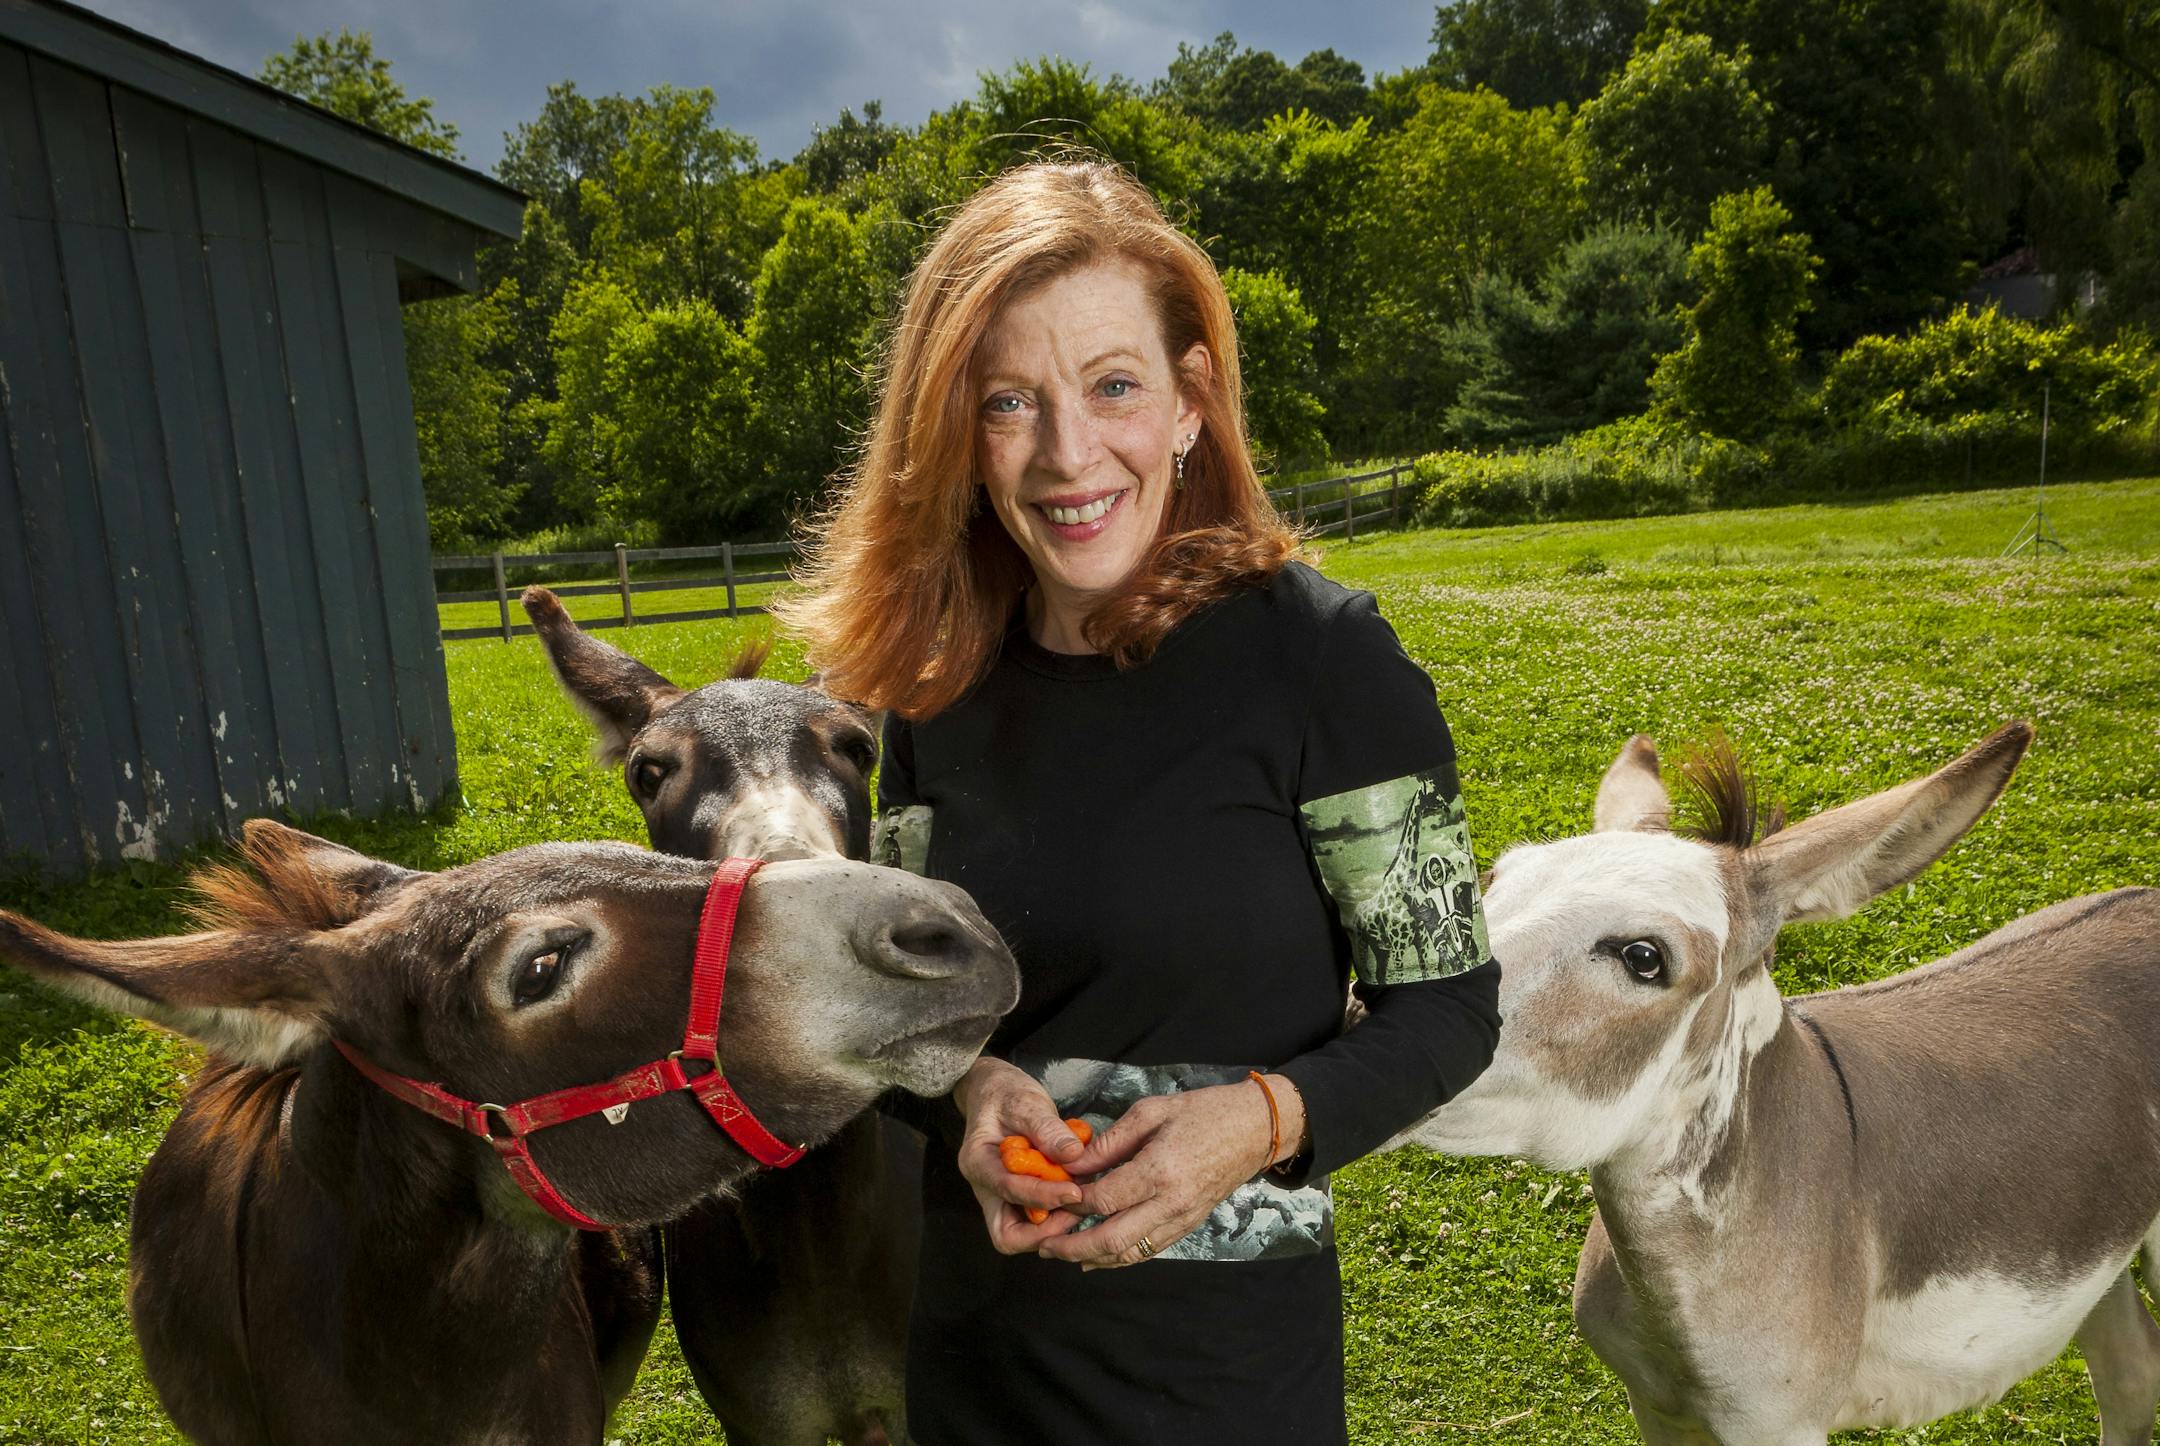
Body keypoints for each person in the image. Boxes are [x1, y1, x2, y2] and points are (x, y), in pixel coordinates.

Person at [777, 160, 1500, 1446]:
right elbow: (901, 1018)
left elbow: (1449, 1009)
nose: (1068, 454)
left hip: (1223, 1395)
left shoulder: (1325, 662)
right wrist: (967, 1089)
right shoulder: (934, 689)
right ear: (957, 431)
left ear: (1188, 403)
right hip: (975, 1378)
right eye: (1011, 402)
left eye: (1114, 385)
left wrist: (1267, 1119)